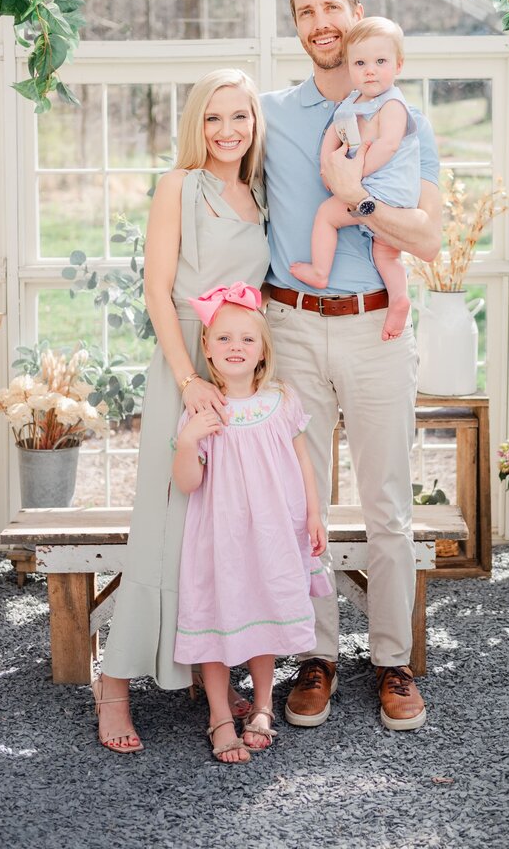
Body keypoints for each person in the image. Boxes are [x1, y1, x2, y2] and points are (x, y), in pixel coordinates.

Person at [261, 0, 442, 731]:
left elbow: (429, 238)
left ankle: (394, 660)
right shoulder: (269, 114)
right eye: (305, 12)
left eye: (331, 7)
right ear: (297, 25)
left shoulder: (407, 116)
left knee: (387, 508)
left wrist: (355, 197)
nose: (320, 22)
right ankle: (318, 657)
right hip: (291, 325)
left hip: (376, 325)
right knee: (300, 508)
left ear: (356, 12)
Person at [92, 69, 270, 753]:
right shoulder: (179, 187)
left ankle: (209, 669)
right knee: (166, 525)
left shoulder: (256, 193)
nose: (228, 131)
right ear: (196, 123)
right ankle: (114, 684)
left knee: (222, 533)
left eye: (241, 118)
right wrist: (188, 377)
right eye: (214, 118)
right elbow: (159, 292)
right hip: (186, 379)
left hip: (238, 382)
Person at [172, 283, 330, 764]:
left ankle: (262, 704)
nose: (235, 348)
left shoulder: (281, 400)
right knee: (217, 613)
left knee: (267, 606)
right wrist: (186, 444)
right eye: (223, 339)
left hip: (275, 532)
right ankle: (220, 714)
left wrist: (314, 513)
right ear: (206, 348)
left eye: (246, 339)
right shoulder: (202, 409)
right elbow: (187, 482)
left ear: (263, 350)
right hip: (220, 536)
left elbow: (304, 461)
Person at [290, 16, 419, 341]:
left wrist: (351, 175)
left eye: (380, 62)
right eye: (360, 63)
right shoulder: (351, 103)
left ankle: (320, 272)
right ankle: (399, 297)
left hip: (384, 189)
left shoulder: (393, 104)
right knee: (385, 252)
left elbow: (389, 145)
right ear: (348, 67)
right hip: (370, 189)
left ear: (398, 65)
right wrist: (325, 166)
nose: (370, 70)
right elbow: (331, 136)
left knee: (326, 215)